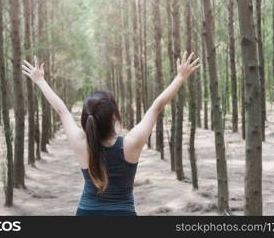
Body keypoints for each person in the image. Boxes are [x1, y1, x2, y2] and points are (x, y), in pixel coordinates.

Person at [22, 51, 200, 216]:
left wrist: (40, 81)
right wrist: (180, 76)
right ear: (115, 116)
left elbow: (62, 111)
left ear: (86, 118)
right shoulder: (131, 143)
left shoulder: (81, 143)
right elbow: (156, 107)